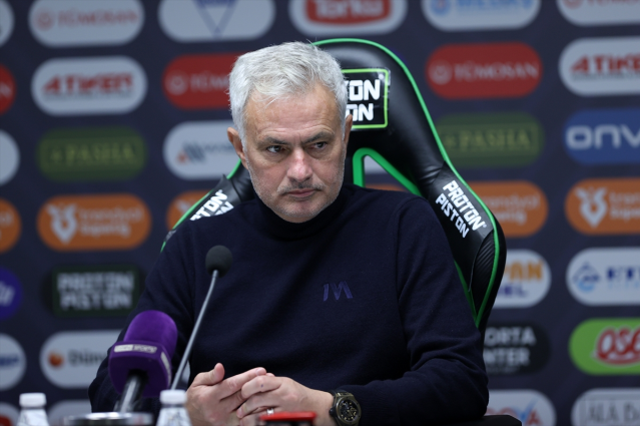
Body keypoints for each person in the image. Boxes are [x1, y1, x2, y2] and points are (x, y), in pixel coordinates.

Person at [89, 41, 488, 426]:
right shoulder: (196, 249)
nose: (300, 171)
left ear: (345, 135)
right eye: (276, 149)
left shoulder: (403, 226)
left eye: (319, 144)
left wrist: (333, 409)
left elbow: (460, 379)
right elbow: (112, 390)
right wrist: (186, 415)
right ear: (241, 149)